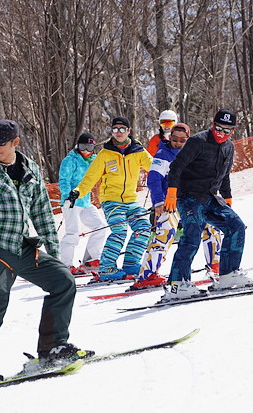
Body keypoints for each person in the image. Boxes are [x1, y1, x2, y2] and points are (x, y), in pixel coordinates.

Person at [0, 119, 93, 389]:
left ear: (16, 142)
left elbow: (40, 210)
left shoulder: (31, 169)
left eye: (1, 144)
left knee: (63, 281)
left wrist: (53, 247)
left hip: (24, 247)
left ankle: (53, 347)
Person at [162, 109, 253, 299]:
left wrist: (227, 198)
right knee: (192, 235)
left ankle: (229, 275)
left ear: (233, 131)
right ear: (212, 124)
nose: (221, 133)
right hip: (189, 197)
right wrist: (172, 192)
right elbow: (176, 166)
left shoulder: (228, 147)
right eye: (218, 128)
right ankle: (177, 284)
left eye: (227, 130)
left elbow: (225, 175)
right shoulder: (198, 141)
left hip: (210, 197)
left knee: (236, 226)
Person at [130, 123, 223, 290]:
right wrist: (158, 201)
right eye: (174, 139)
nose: (178, 143)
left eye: (182, 140)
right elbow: (153, 179)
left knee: (211, 227)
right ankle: (147, 275)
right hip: (170, 202)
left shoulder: (195, 153)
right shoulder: (162, 155)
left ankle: (215, 266)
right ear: (169, 138)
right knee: (165, 233)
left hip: (192, 200)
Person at [68, 116, 153, 281]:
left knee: (144, 227)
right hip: (111, 201)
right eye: (115, 129)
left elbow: (155, 167)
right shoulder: (105, 154)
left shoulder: (138, 151)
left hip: (131, 200)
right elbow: (90, 177)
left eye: (122, 129)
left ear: (129, 131)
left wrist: (173, 175)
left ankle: (131, 263)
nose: (118, 132)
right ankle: (107, 268)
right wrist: (78, 191)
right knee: (119, 230)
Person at [58, 132, 107, 274]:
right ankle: (66, 264)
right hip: (72, 202)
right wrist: (67, 197)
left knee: (100, 226)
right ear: (78, 146)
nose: (86, 150)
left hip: (85, 201)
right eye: (83, 146)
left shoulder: (94, 160)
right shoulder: (70, 160)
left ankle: (91, 259)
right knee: (73, 233)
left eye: (89, 147)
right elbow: (64, 180)